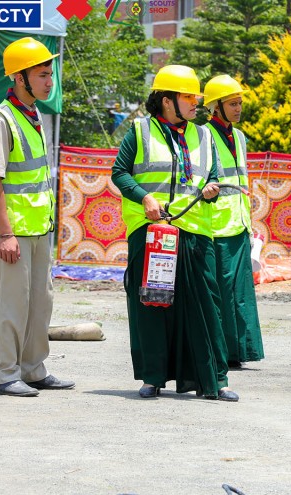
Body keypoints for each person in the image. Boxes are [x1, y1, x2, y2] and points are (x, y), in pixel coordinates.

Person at [111, 65, 238, 401]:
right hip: (152, 231)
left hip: (196, 230)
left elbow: (214, 175)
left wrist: (212, 187)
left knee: (207, 306)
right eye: (187, 96)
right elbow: (120, 173)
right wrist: (145, 198)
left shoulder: (205, 135)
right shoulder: (138, 132)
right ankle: (152, 378)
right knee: (153, 304)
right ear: (167, 101)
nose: (196, 101)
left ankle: (215, 381)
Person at [0, 37, 74, 397]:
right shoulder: (2, 121)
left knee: (39, 303)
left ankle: (33, 369)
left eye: (51, 74)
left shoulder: (32, 116)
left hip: (36, 231)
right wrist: (6, 234)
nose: (50, 82)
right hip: (11, 233)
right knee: (12, 304)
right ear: (20, 78)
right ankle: (4, 373)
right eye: (43, 75)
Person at [202, 74, 264, 368]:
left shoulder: (239, 137)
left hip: (239, 224)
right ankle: (221, 352)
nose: (239, 108)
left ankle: (240, 351)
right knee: (222, 293)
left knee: (241, 293)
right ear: (216, 107)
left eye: (240, 103)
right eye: (233, 103)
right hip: (215, 226)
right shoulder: (202, 135)